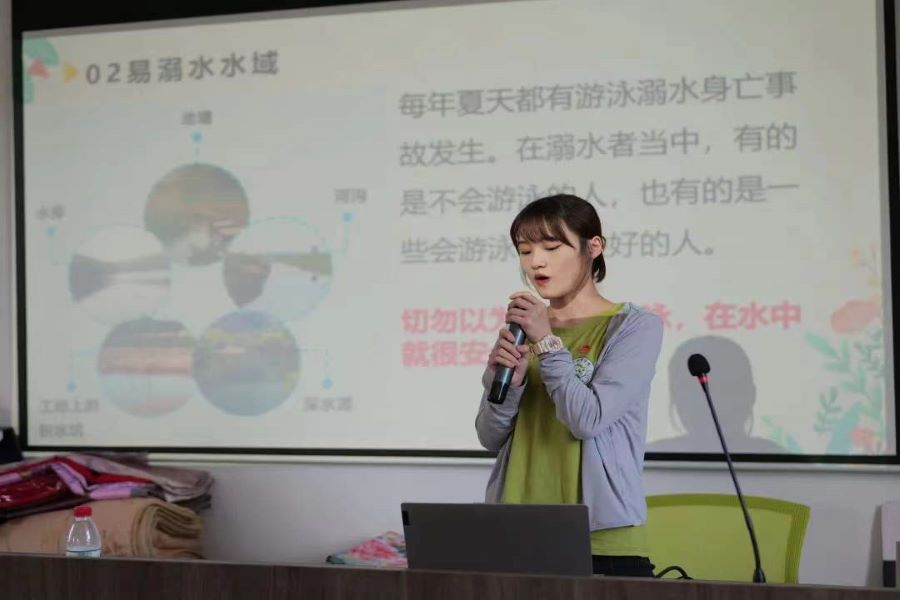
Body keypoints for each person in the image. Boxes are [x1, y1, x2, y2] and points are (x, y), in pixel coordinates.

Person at [475, 194, 663, 577]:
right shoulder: (524, 329)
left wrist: (546, 343)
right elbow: (489, 436)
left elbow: (587, 420)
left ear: (593, 247)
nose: (536, 262)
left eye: (551, 247)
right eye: (525, 251)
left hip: (600, 539)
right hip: (516, 529)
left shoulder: (634, 327)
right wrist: (507, 385)